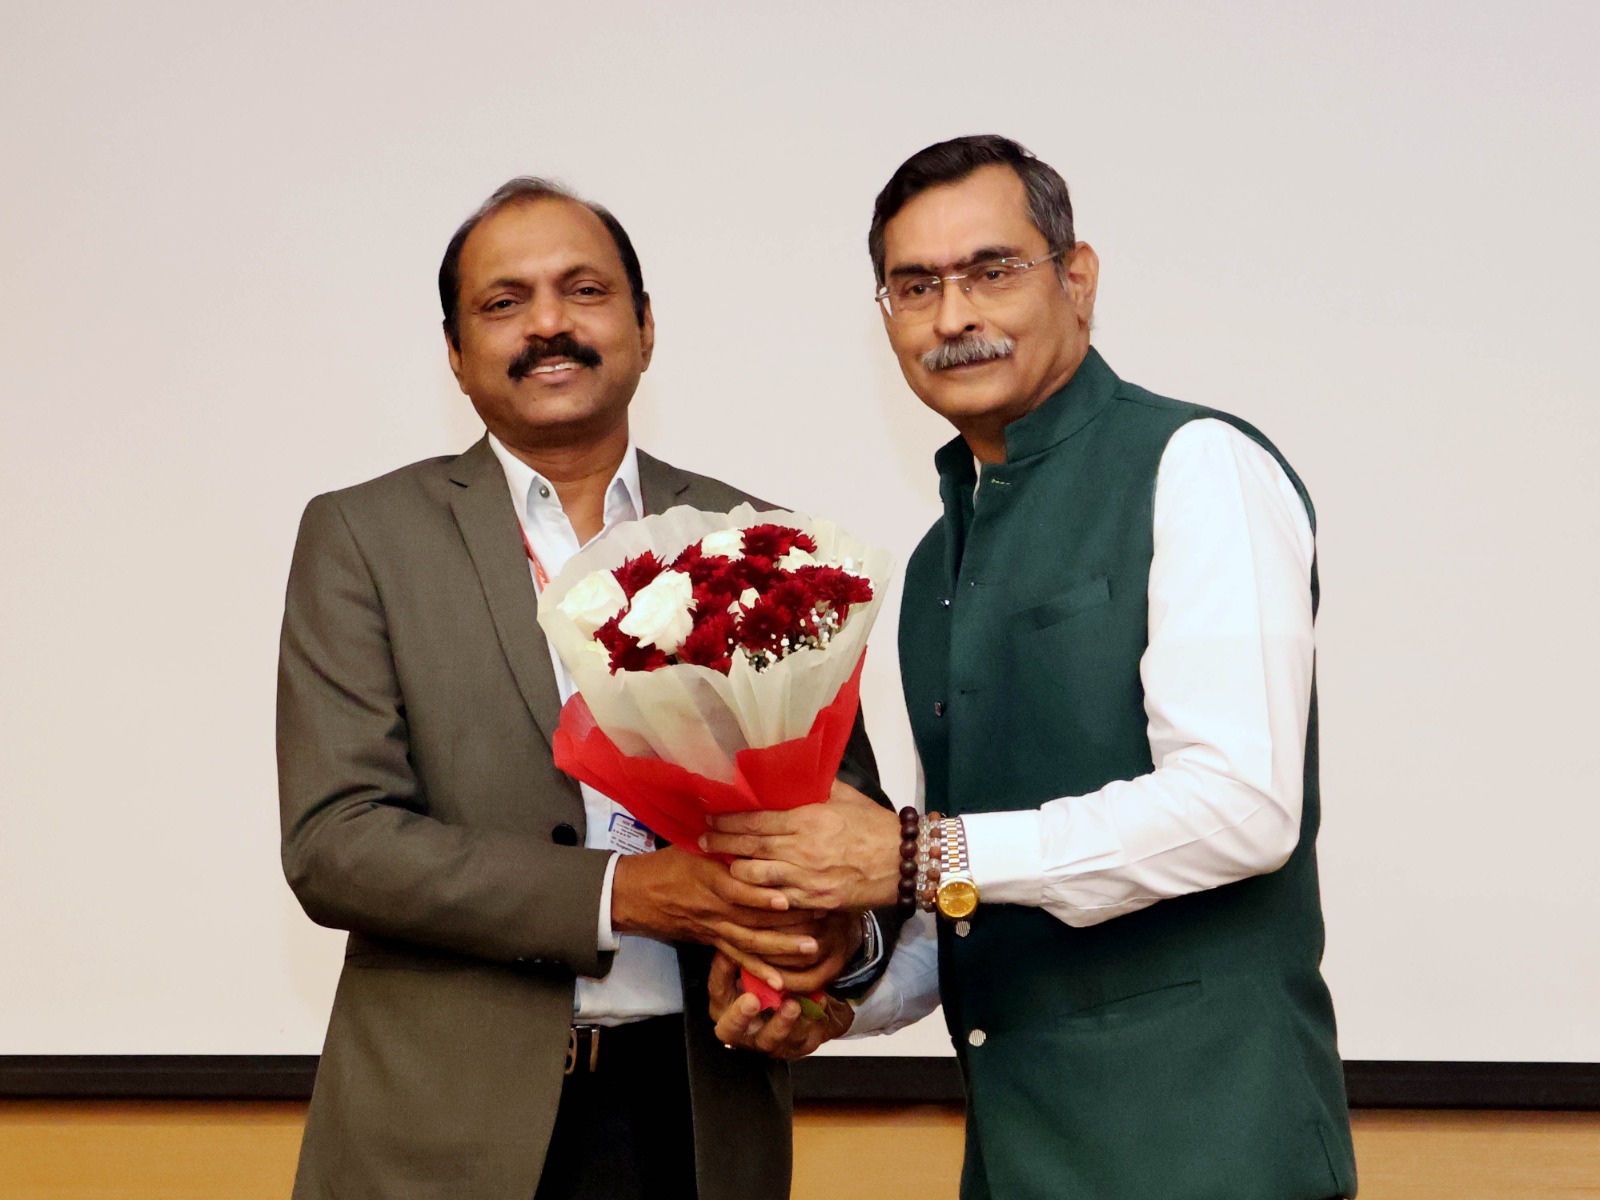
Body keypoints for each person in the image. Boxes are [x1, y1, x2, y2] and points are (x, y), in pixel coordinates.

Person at [704, 135, 1360, 1200]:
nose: (952, 315)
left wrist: (914, 856)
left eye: (992, 270)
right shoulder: (936, 561)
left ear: (1078, 279)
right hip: (1016, 1159)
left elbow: (1241, 807)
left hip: (1212, 1153)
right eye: (915, 286)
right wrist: (837, 987)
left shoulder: (1197, 464)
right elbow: (980, 894)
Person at [276, 176, 890, 1200]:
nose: (548, 324)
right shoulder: (364, 537)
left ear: (645, 326)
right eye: (503, 301)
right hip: (439, 1140)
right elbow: (336, 843)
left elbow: (845, 817)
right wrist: (626, 896)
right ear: (455, 352)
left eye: (585, 290)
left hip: (698, 1123)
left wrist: (823, 953)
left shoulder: (757, 537)